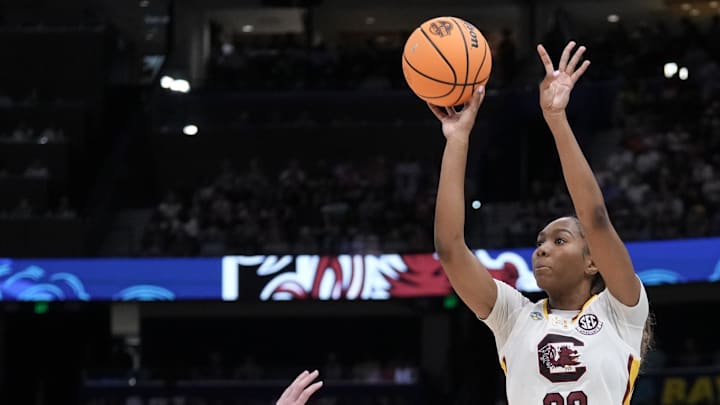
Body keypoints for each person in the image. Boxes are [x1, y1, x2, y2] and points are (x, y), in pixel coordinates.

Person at [429, 41, 653, 404]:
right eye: (539, 243)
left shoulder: (621, 310)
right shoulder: (513, 317)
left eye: (559, 240)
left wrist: (556, 119)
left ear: (592, 260)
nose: (542, 249)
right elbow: (450, 250)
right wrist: (457, 140)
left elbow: (595, 219)